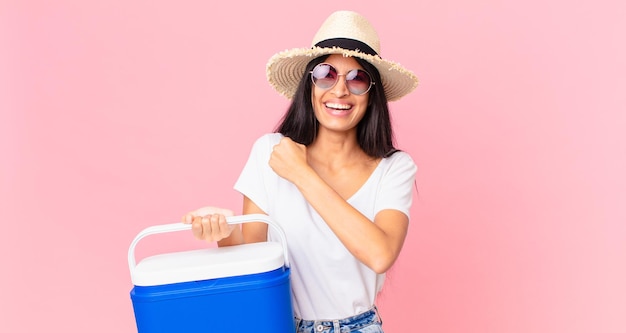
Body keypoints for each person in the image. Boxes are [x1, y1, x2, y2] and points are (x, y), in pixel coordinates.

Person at [182, 10, 419, 333]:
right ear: (309, 84)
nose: (339, 90)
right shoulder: (270, 151)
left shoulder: (394, 168)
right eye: (326, 73)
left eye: (357, 78)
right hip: (280, 325)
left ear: (372, 94)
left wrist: (302, 173)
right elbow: (255, 261)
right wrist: (222, 230)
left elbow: (380, 255)